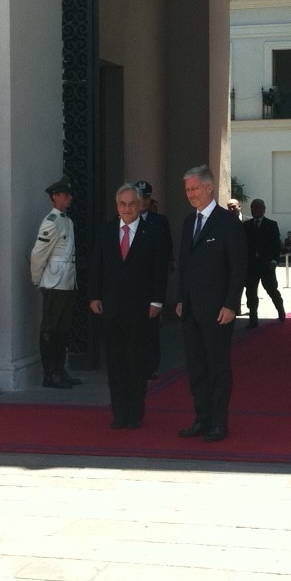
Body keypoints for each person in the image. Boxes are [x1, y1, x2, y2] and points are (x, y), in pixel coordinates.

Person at [88, 183, 170, 429]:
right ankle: (119, 412)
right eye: (122, 204)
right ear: (117, 206)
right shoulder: (106, 232)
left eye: (132, 204)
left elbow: (160, 269)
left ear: (140, 205)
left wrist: (157, 300)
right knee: (116, 364)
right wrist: (94, 296)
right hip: (112, 309)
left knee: (137, 363)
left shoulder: (152, 232)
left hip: (142, 310)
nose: (127, 208)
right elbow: (97, 267)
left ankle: (135, 412)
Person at [175, 165, 247, 442]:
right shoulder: (187, 222)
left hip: (218, 311)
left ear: (209, 188)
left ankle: (219, 422)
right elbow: (184, 265)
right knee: (196, 368)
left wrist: (231, 305)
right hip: (191, 310)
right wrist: (181, 298)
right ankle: (201, 419)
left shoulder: (228, 223)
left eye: (194, 189)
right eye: (187, 190)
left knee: (217, 368)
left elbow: (238, 267)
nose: (190, 194)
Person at [29, 174, 79, 389]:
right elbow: (39, 254)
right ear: (56, 197)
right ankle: (50, 373)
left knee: (63, 329)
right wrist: (37, 279)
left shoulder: (66, 221)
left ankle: (60, 369)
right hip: (54, 282)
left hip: (66, 282)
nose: (69, 198)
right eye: (66, 195)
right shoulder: (51, 223)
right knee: (50, 328)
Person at [135, 179, 172, 378]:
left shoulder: (159, 221)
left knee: (151, 327)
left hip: (151, 282)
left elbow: (166, 250)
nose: (142, 201)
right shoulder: (124, 219)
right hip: (132, 284)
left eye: (146, 197)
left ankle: (150, 366)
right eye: (139, 197)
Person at [243, 198, 286, 327]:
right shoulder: (246, 225)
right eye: (253, 208)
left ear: (263, 209)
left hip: (266, 264)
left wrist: (274, 260)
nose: (255, 210)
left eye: (258, 207)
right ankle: (253, 318)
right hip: (251, 265)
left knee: (271, 289)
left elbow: (276, 245)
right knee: (250, 292)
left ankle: (280, 309)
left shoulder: (271, 224)